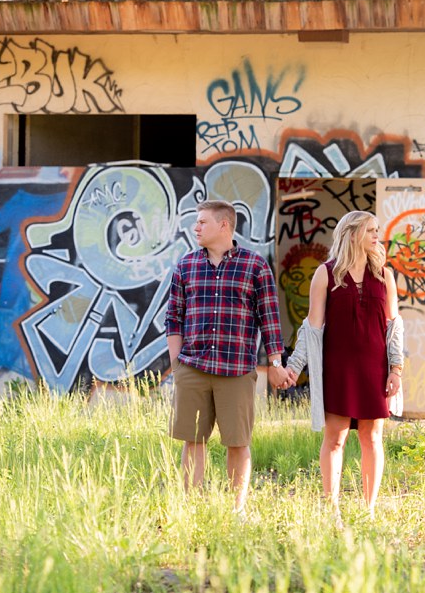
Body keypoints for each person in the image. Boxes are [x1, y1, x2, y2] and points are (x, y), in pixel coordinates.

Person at [165, 200, 292, 513]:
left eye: (202, 222)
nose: (196, 228)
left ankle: (236, 511)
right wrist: (177, 365)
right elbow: (174, 317)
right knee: (193, 441)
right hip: (192, 368)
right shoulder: (186, 265)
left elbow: (270, 319)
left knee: (237, 442)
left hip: (236, 370)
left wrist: (276, 364)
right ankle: (192, 509)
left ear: (224, 225)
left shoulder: (254, 265)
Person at [284, 211, 404, 515]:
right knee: (335, 439)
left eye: (377, 231)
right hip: (338, 371)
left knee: (372, 438)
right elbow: (311, 330)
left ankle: (370, 510)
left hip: (375, 371)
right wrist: (294, 367)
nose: (377, 236)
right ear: (352, 234)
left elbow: (394, 328)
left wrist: (397, 368)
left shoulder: (384, 275)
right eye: (370, 231)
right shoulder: (326, 273)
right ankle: (331, 509)